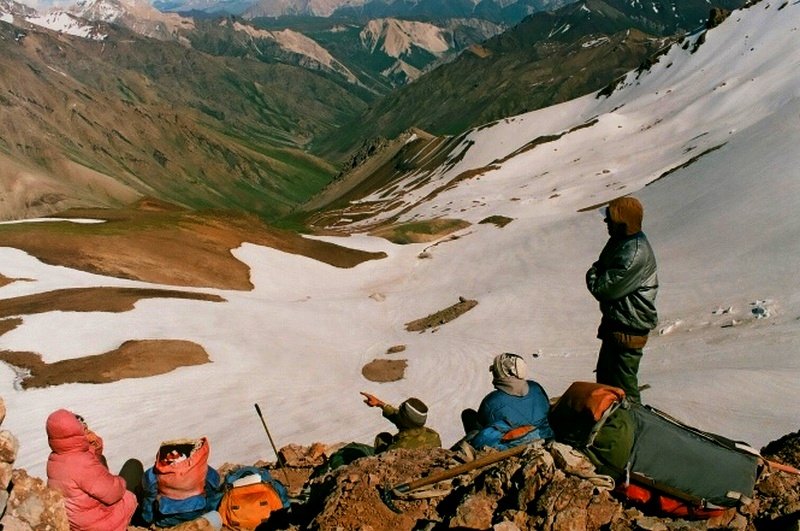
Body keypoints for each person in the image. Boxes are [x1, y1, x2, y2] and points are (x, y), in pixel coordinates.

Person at [586, 195, 658, 403]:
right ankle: (614, 427)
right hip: (618, 324)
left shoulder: (634, 252)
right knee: (607, 382)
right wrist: (599, 270)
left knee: (623, 388)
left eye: (610, 219)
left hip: (629, 327)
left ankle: (632, 425)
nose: (606, 223)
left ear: (622, 222)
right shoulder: (621, 241)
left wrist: (592, 272)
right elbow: (603, 268)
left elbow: (602, 288)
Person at [46, 409, 139, 531]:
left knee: (107, 464)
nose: (82, 424)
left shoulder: (55, 459)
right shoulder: (81, 462)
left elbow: (92, 472)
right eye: (77, 422)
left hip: (82, 521)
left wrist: (89, 444)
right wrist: (119, 481)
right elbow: (113, 493)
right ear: (73, 430)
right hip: (102, 523)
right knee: (134, 467)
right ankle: (140, 522)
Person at [461, 352, 554, 451]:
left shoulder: (492, 401)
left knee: (468, 415)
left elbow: (484, 428)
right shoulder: (535, 387)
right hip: (544, 436)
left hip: (512, 447)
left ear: (500, 372)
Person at [141, 437, 223, 529]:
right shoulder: (201, 469)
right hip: (198, 514)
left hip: (166, 520)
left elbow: (149, 501)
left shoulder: (153, 474)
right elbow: (213, 488)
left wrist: (147, 521)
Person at [360, 393, 442, 452]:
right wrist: (380, 404)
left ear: (404, 421)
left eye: (400, 411)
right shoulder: (433, 435)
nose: (397, 411)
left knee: (381, 439)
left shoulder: (398, 449)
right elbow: (398, 417)